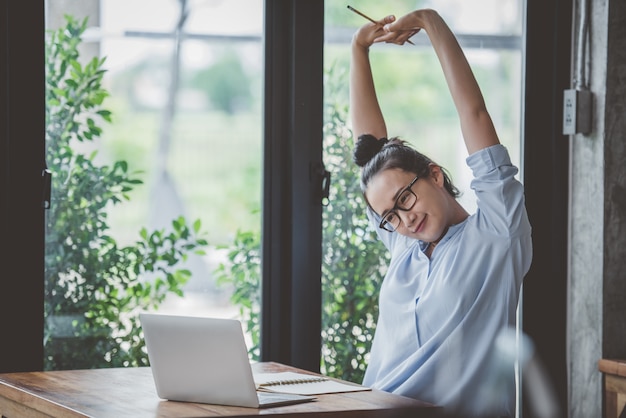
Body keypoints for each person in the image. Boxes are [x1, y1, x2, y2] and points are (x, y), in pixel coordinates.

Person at [349, 8, 532, 417]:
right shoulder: (402, 242)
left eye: (405, 200)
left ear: (433, 174)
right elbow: (368, 148)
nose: (403, 221)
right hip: (364, 408)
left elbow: (476, 115)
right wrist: (359, 48)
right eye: (388, 217)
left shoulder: (497, 234)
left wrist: (432, 23)